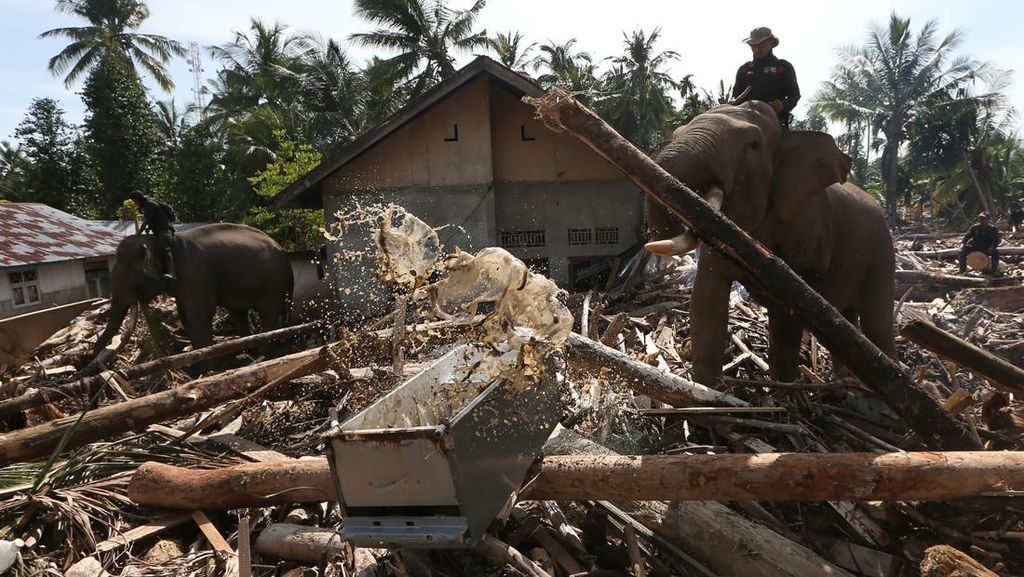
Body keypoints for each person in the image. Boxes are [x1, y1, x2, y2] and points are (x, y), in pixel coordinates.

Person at [732, 27, 801, 129]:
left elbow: (794, 94)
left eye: (761, 44)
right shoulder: (744, 69)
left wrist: (782, 105)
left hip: (774, 123)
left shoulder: (782, 67)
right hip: (745, 122)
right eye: (753, 45)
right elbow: (736, 95)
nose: (756, 48)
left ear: (771, 43)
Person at [128, 192, 177, 282]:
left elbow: (146, 220)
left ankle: (172, 272)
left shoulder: (150, 205)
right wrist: (149, 228)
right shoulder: (145, 206)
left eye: (134, 201)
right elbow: (154, 218)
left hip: (166, 230)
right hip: (158, 231)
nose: (135, 203)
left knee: (163, 246)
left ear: (138, 199)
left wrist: (138, 234)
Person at [958, 212, 1001, 277]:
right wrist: (963, 246)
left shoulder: (993, 229)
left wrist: (992, 247)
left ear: (988, 220)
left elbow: (996, 241)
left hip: (987, 247)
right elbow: (966, 238)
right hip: (975, 246)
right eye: (980, 219)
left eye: (984, 219)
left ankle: (994, 271)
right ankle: (962, 271)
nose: (982, 221)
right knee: (962, 252)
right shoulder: (974, 228)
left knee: (996, 253)